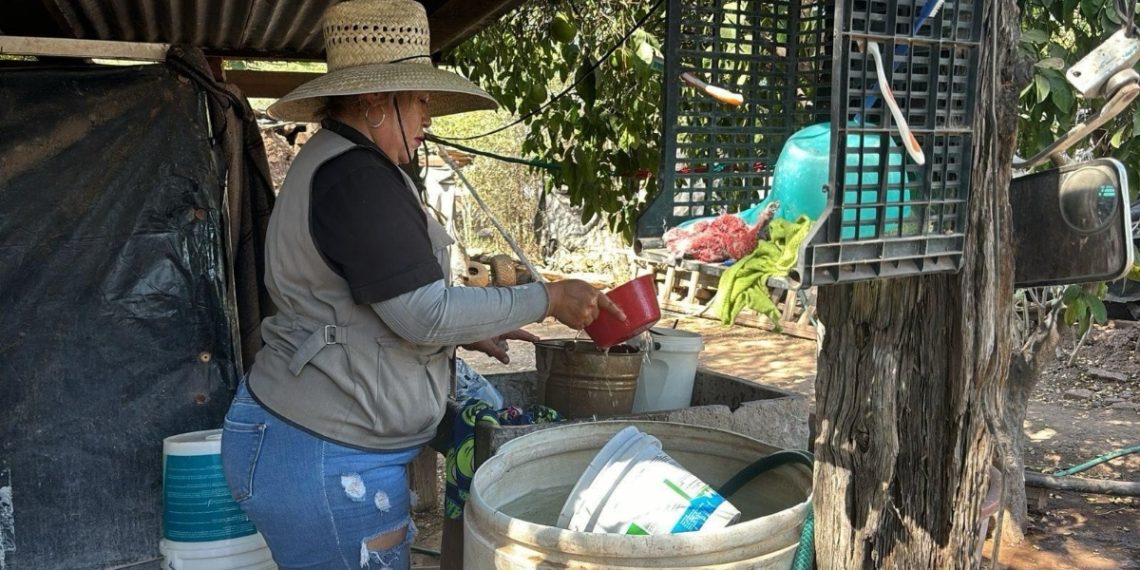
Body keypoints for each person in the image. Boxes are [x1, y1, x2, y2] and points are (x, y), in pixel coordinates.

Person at [219, 1, 625, 568]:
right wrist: (547, 298)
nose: (428, 117)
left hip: (321, 443)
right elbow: (421, 314)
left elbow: (379, 307)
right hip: (324, 451)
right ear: (376, 103)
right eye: (421, 100)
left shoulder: (352, 167)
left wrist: (462, 332)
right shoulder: (355, 179)